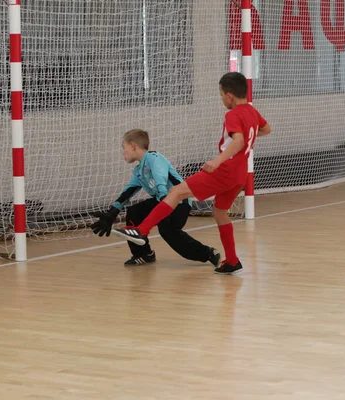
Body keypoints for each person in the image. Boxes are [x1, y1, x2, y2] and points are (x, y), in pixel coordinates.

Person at [114, 72, 271, 275]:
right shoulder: (251, 111)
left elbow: (239, 141)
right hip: (240, 175)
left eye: (222, 95)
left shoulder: (232, 114)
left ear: (229, 96)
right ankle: (232, 260)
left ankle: (142, 231)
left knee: (177, 192)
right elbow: (266, 129)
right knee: (220, 212)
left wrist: (217, 161)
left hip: (224, 171)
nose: (222, 99)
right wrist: (250, 135)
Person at [91, 129, 221, 267]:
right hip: (161, 201)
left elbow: (161, 182)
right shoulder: (138, 170)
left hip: (178, 201)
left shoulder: (154, 158)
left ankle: (208, 253)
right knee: (134, 212)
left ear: (133, 146)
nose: (123, 152)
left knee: (168, 231)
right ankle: (143, 254)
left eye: (124, 148)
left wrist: (165, 206)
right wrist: (112, 212)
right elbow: (128, 192)